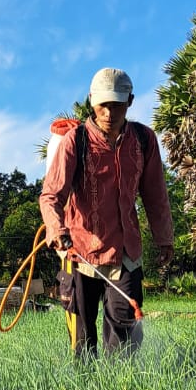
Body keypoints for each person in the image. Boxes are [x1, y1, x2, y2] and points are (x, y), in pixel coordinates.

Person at [39, 68, 174, 355]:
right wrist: (55, 228)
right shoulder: (76, 141)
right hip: (80, 252)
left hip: (125, 254)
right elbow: (51, 195)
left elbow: (156, 194)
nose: (109, 112)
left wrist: (164, 238)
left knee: (123, 345)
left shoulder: (144, 140)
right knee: (82, 345)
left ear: (131, 101)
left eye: (117, 104)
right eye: (103, 104)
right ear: (91, 101)